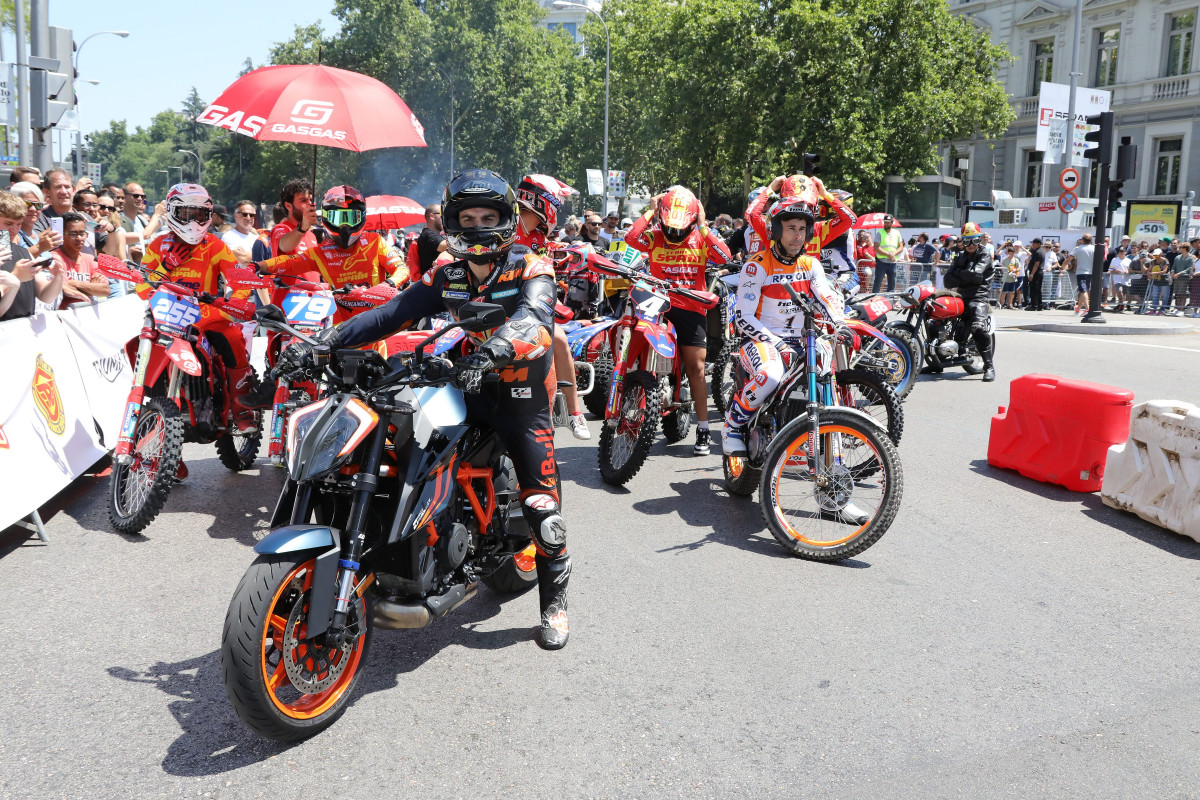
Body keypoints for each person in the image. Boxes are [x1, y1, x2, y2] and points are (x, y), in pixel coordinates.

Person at [276, 169, 572, 650]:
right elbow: (392, 312)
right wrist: (327, 341)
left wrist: (492, 354)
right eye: (467, 216)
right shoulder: (447, 271)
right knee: (410, 445)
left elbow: (533, 321)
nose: (477, 225)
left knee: (542, 504)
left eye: (488, 216)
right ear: (452, 220)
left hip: (521, 395)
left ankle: (555, 602)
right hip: (464, 382)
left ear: (507, 219)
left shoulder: (531, 266)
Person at [724, 197, 846, 458]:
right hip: (761, 341)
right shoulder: (757, 265)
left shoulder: (810, 264)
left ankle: (831, 440)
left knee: (827, 372)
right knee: (770, 374)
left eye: (802, 229)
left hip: (803, 340)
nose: (798, 236)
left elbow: (826, 296)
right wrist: (777, 344)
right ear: (777, 230)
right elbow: (743, 318)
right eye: (791, 228)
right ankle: (733, 426)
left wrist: (840, 323)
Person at [137, 184, 262, 440]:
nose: (193, 221)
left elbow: (239, 281)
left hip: (208, 315)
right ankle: (165, 453)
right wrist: (166, 265)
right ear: (172, 212)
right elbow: (141, 286)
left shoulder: (214, 245)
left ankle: (242, 407)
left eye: (199, 214)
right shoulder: (159, 245)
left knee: (234, 337)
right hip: (168, 316)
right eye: (186, 214)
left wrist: (232, 306)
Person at [625, 185, 731, 455]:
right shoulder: (655, 236)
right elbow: (631, 237)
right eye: (669, 228)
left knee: (695, 369)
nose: (674, 234)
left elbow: (725, 256)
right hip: (656, 304)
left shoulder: (700, 237)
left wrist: (704, 226)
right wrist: (650, 212)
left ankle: (704, 429)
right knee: (632, 350)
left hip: (691, 307)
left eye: (680, 229)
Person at [514, 173, 590, 440]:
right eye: (556, 205)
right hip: (495, 300)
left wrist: (577, 252)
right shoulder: (504, 223)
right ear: (542, 201)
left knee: (558, 339)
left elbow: (548, 257)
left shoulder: (537, 236)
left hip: (531, 303)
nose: (557, 212)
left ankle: (574, 413)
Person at [0, 190, 63, 321]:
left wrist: (58, 276)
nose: (14, 230)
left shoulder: (24, 252)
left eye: (19, 224)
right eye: (8, 223)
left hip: (24, 332)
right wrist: (16, 276)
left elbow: (46, 296)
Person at [943, 221, 995, 381]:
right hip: (961, 296)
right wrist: (966, 274)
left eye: (975, 240)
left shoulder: (984, 254)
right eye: (967, 241)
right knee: (939, 319)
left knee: (978, 328)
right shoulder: (960, 256)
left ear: (979, 240)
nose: (971, 245)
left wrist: (958, 273)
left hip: (978, 296)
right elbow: (947, 281)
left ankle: (989, 366)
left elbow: (976, 275)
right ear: (962, 242)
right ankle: (937, 360)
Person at [51, 213, 109, 309]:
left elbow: (105, 290)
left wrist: (73, 283)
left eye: (82, 233)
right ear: (62, 235)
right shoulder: (55, 258)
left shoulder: (90, 259)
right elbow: (64, 292)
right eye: (73, 234)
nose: (79, 238)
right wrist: (92, 288)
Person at [271, 178, 320, 257]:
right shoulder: (280, 228)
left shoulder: (311, 235)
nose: (310, 204)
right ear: (288, 206)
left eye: (311, 200)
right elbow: (285, 246)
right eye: (303, 200)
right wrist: (302, 228)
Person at [10, 181, 58, 257]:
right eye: (27, 204)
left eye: (38, 205)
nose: (33, 209)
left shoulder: (34, 235)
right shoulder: (13, 234)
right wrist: (39, 248)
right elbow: (12, 260)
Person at [406, 203, 447, 281]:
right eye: (442, 215)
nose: (444, 218)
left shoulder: (430, 234)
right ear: (432, 216)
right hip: (432, 284)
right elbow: (445, 246)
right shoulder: (428, 234)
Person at [872, 214, 903, 292]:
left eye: (888, 222)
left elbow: (901, 247)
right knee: (878, 282)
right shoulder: (880, 233)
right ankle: (874, 299)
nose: (886, 224)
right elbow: (876, 247)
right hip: (881, 261)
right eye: (885, 222)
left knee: (892, 284)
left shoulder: (897, 233)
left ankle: (890, 300)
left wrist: (893, 254)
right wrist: (888, 254)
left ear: (892, 222)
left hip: (892, 262)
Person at [1067, 233, 1096, 315]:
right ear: (1091, 240)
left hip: (1081, 272)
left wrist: (1062, 266)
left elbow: (1069, 259)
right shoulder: (1094, 248)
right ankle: (1078, 308)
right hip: (1090, 272)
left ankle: (1087, 308)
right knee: (1083, 291)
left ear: (1083, 240)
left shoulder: (1078, 248)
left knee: (1083, 290)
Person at [1170, 242, 1195, 316]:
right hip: (1176, 279)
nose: (1179, 248)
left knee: (1182, 294)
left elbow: (1190, 268)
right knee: (1177, 294)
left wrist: (1179, 273)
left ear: (1184, 248)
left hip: (1184, 278)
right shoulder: (1177, 257)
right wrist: (1172, 272)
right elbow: (1173, 266)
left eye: (1180, 247)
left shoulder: (1191, 258)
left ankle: (1181, 309)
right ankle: (1177, 308)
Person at [1026, 238, 1046, 311]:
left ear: (1038, 244)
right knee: (1038, 289)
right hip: (1039, 272)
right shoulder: (1041, 251)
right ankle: (1039, 305)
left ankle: (1034, 305)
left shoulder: (1038, 252)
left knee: (1034, 289)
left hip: (1036, 272)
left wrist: (1032, 274)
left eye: (1033, 243)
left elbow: (1036, 264)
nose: (1032, 245)